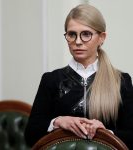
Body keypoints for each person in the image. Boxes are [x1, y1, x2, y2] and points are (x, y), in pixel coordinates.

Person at [25, 4, 133, 149]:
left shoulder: (121, 80)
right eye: (72, 34)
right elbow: (30, 135)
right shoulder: (51, 80)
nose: (78, 41)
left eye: (86, 34)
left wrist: (105, 132)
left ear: (101, 37)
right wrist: (57, 122)